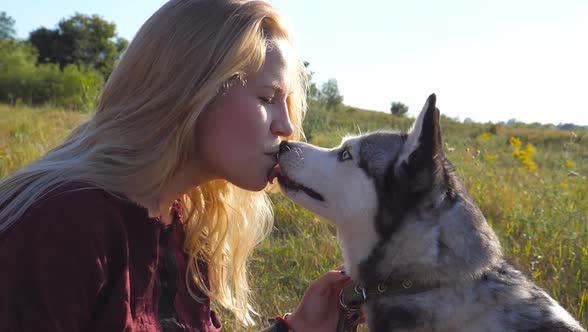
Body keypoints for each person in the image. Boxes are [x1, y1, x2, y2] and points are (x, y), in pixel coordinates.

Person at [0, 0, 350, 331]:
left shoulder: (182, 229)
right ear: (193, 89)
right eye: (266, 98)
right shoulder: (68, 224)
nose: (287, 128)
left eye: (286, 102)